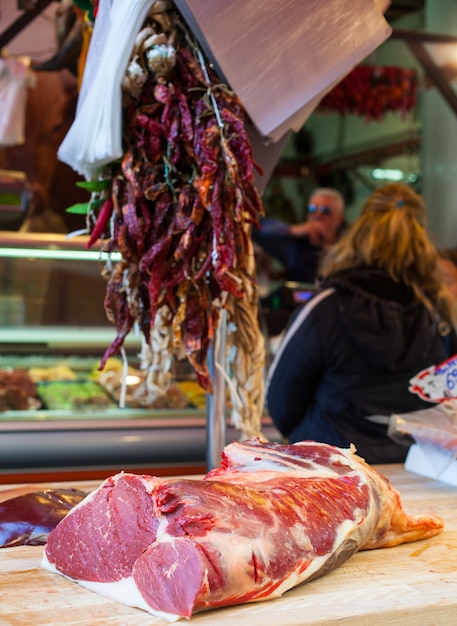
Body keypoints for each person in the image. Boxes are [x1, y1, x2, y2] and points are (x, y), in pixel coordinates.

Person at [266, 183, 457, 464]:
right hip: (417, 468)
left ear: (360, 231)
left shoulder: (327, 306)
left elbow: (281, 402)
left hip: (333, 473)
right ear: (420, 238)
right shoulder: (439, 310)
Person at [252, 187, 346, 283]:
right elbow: (254, 228)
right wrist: (292, 230)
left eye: (325, 210)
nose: (317, 215)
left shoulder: (348, 246)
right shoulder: (297, 245)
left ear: (340, 218)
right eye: (312, 209)